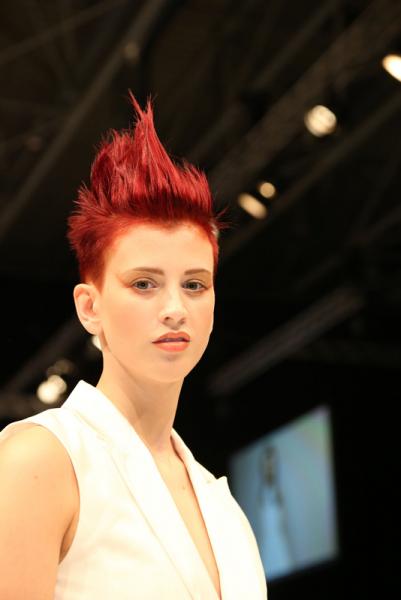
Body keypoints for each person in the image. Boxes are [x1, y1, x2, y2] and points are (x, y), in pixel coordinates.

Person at [0, 94, 267, 599]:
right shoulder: (43, 461)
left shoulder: (226, 512)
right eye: (144, 283)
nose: (175, 308)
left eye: (195, 284)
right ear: (89, 306)